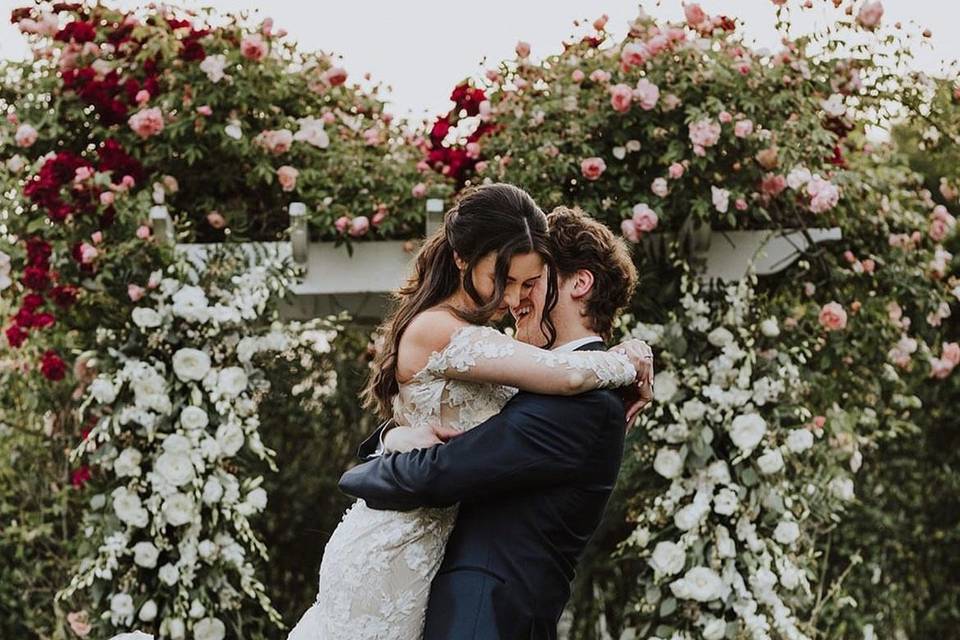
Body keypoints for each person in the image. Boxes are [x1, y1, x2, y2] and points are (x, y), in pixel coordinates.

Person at [288, 187, 651, 639]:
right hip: (400, 557)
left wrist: (376, 458)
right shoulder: (462, 336)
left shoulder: (582, 403)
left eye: (531, 282)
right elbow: (466, 432)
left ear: (578, 284)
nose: (515, 298)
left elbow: (446, 466)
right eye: (510, 279)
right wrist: (628, 359)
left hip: (471, 598)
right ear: (465, 259)